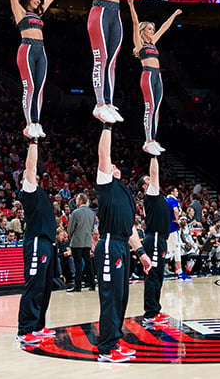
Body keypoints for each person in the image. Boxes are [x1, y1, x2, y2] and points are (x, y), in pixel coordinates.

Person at [94, 121, 151, 362]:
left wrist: (142, 253)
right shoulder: (106, 185)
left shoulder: (125, 194)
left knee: (120, 297)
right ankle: (106, 348)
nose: (113, 166)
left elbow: (130, 228)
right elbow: (104, 153)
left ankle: (115, 341)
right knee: (110, 296)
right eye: (111, 166)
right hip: (108, 244)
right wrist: (107, 126)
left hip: (122, 246)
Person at [0, 0, 64, 139]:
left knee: (40, 87)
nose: (39, 1)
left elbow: (49, 0)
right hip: (26, 49)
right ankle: (30, 123)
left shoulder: (39, 14)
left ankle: (36, 122)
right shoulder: (20, 12)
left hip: (40, 51)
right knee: (30, 87)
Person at [15, 134, 58, 346]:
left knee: (45, 286)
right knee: (34, 285)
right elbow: (30, 166)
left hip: (48, 243)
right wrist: (34, 142)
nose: (30, 175)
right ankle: (25, 330)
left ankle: (38, 326)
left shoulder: (41, 192)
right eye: (26, 175)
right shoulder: (28, 191)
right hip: (36, 242)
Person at [128, 0, 181, 156]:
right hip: (148, 74)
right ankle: (148, 140)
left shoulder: (153, 42)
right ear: (144, 30)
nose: (152, 31)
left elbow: (164, 27)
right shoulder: (140, 44)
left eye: (153, 29)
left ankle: (154, 139)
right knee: (149, 107)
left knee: (157, 108)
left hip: (157, 76)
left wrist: (174, 14)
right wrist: (131, 5)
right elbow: (135, 23)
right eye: (150, 29)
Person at [138, 155, 169, 327]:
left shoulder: (157, 196)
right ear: (145, 186)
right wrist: (153, 154)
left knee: (158, 276)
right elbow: (155, 172)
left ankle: (155, 310)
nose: (153, 180)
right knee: (153, 276)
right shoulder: (151, 193)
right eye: (149, 180)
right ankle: (150, 313)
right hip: (155, 238)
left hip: (160, 239)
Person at [66, 193, 96, 292]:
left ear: (80, 201)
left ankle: (77, 286)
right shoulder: (92, 213)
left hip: (77, 241)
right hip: (87, 240)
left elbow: (70, 228)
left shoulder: (76, 212)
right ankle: (92, 284)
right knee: (89, 263)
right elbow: (92, 228)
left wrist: (71, 237)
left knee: (78, 264)